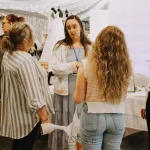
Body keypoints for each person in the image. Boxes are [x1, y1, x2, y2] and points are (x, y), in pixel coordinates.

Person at [74, 26, 132, 150]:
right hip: (117, 117)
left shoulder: (86, 64)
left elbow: (78, 98)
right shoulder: (125, 67)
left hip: (93, 117)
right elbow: (124, 95)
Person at [0, 22, 54, 150]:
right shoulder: (25, 61)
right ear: (25, 41)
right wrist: (45, 118)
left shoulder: (9, 54)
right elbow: (33, 94)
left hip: (16, 112)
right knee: (25, 145)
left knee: (19, 144)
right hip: (26, 116)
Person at [48, 15, 91, 150]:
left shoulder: (89, 46)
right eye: (68, 27)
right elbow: (55, 67)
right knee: (65, 121)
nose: (71, 30)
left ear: (81, 27)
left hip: (84, 88)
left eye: (74, 26)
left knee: (82, 119)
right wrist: (74, 65)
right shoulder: (60, 46)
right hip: (64, 89)